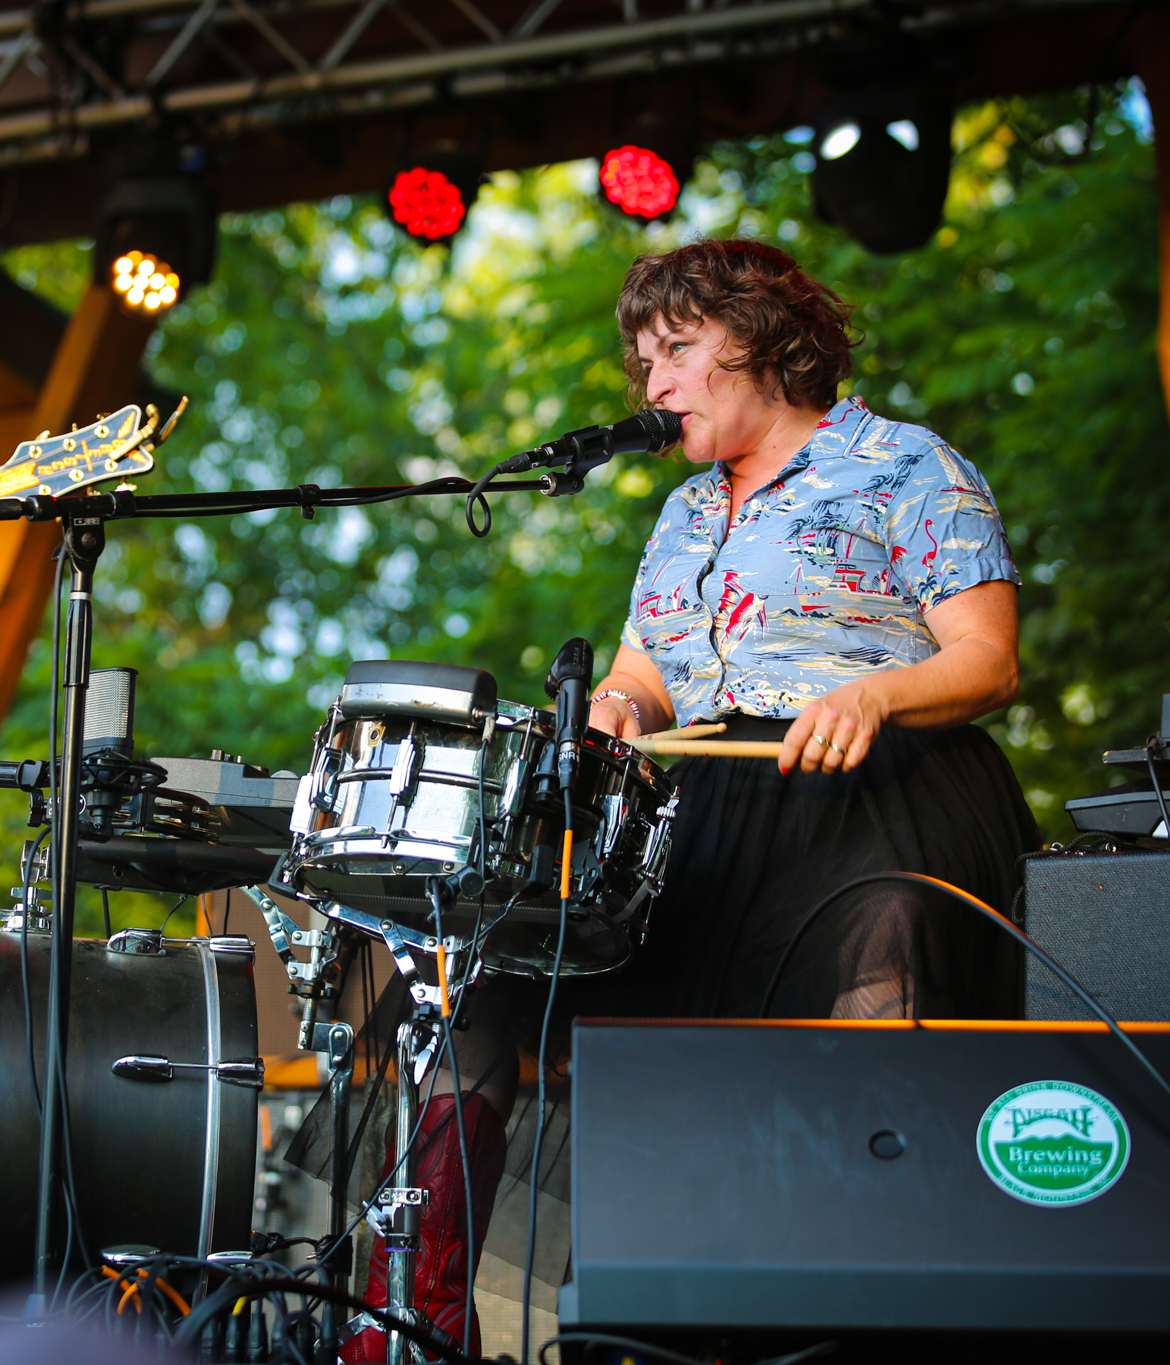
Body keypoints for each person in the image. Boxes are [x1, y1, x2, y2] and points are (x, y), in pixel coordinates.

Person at [336, 238, 1037, 1361]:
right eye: (641, 363)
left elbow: (987, 659)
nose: (651, 387)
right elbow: (643, 671)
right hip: (697, 822)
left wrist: (875, 694)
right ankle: (410, 1320)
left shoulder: (907, 466)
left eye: (674, 351)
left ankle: (863, 1327)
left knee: (880, 947)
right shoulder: (679, 515)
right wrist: (615, 706)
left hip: (869, 797)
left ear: (760, 339)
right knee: (490, 971)